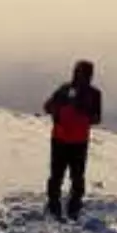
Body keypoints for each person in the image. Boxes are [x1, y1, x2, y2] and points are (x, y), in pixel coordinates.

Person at [43, 60, 102, 220]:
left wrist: (82, 110)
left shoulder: (94, 94)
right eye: (80, 72)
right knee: (58, 174)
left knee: (75, 176)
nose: (82, 76)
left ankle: (72, 207)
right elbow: (47, 107)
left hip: (76, 141)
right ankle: (55, 205)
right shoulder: (65, 89)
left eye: (85, 73)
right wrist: (59, 107)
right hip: (62, 139)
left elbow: (96, 119)